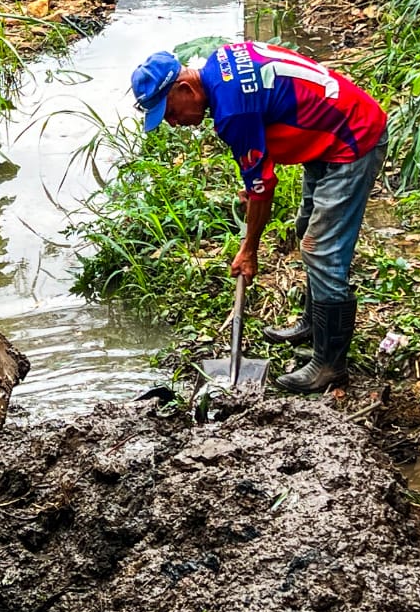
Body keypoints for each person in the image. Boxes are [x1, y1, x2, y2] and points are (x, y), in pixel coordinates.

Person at [130, 41, 387, 393]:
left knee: (320, 250)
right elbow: (265, 132)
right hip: (329, 128)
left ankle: (330, 365)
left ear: (185, 88)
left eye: (170, 112)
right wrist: (254, 183)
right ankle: (315, 323)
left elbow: (263, 187)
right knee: (304, 227)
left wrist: (249, 249)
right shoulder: (223, 61)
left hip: (351, 139)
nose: (174, 123)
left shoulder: (231, 111)